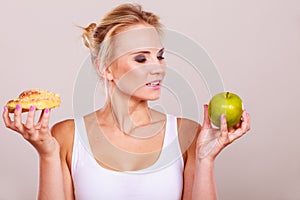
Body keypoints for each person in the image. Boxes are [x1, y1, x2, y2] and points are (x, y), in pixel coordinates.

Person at [2, 3, 251, 200]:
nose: (158, 68)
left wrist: (205, 160)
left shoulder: (187, 133)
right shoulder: (66, 136)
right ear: (105, 68)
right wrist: (47, 155)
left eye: (160, 56)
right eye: (141, 59)